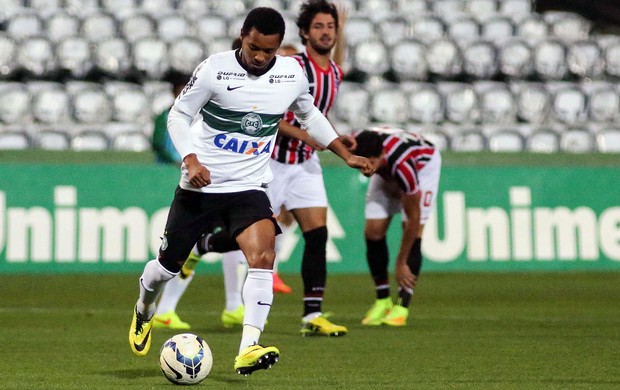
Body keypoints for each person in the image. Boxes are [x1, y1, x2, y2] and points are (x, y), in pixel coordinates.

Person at [128, 7, 374, 377]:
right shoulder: (215, 68)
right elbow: (179, 115)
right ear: (243, 35)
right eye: (254, 48)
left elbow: (309, 116)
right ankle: (144, 310)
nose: (260, 58)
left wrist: (344, 152)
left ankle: (248, 347)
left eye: (269, 52)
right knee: (165, 269)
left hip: (249, 187)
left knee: (263, 256)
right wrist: (191, 160)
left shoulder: (291, 73)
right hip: (201, 186)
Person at [219, 0, 353, 337]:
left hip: (304, 165)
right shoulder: (291, 67)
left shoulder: (334, 71)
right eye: (319, 27)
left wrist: (335, 140)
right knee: (245, 240)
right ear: (305, 32)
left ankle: (312, 315)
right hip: (272, 162)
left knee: (317, 235)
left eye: (331, 27)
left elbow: (320, 107)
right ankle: (202, 244)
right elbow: (269, 116)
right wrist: (309, 136)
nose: (326, 33)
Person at [353, 127, 442, 327]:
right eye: (361, 163)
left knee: (414, 231)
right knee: (373, 231)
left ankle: (402, 307)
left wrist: (400, 262)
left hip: (423, 165)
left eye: (369, 164)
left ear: (382, 155)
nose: (364, 169)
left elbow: (413, 218)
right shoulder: (357, 143)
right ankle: (383, 300)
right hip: (386, 170)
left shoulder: (404, 166)